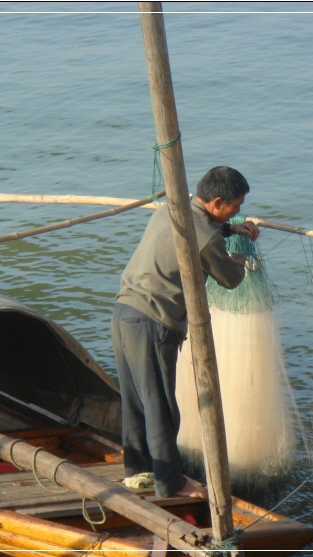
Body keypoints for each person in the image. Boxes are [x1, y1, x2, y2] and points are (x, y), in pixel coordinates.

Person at [111, 166, 260, 499]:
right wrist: (239, 254)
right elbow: (230, 278)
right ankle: (170, 483)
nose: (238, 210)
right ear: (218, 201)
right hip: (154, 321)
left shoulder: (173, 209)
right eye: (235, 205)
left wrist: (233, 228)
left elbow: (203, 228)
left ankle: (137, 472)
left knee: (136, 400)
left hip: (124, 313)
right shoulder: (206, 237)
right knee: (161, 404)